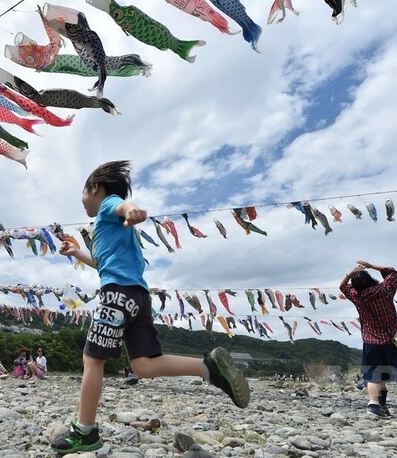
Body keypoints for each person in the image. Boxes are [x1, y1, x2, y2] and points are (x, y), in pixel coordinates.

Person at [50, 161, 250, 454]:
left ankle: (85, 431)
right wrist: (77, 251)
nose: (82, 201)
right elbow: (103, 263)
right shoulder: (108, 231)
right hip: (138, 297)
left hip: (117, 295)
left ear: (94, 188)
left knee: (92, 360)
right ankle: (208, 368)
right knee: (142, 365)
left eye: (83, 192)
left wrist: (132, 211)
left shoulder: (108, 207)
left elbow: (121, 206)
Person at [339, 260, 397, 422]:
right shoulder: (384, 290)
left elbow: (342, 287)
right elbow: (392, 273)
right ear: (371, 279)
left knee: (372, 376)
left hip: (371, 341)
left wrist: (349, 274)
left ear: (355, 285)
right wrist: (370, 266)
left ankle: (373, 406)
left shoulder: (357, 296)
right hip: (394, 341)